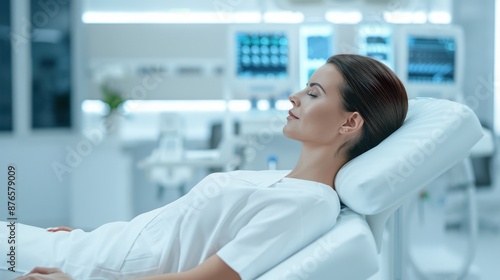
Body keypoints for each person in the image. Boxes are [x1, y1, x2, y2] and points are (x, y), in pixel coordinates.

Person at [2, 54, 408, 280]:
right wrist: (97, 238)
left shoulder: (308, 205)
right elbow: (179, 232)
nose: (294, 96)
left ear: (350, 122)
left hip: (83, 269)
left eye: (313, 92)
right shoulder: (284, 182)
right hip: (93, 249)